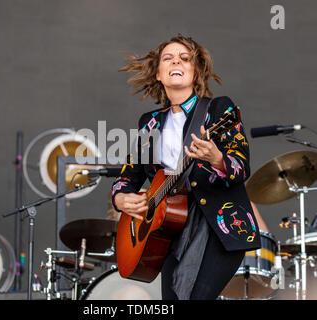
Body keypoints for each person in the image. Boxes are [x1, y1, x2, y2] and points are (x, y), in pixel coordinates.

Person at [111, 34, 261, 300]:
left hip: (219, 229)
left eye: (184, 58)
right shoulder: (150, 123)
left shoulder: (217, 110)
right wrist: (121, 198)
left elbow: (241, 167)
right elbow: (129, 175)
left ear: (195, 70)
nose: (175, 61)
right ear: (158, 74)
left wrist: (217, 159)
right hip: (170, 234)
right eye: (167, 58)